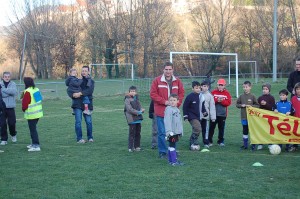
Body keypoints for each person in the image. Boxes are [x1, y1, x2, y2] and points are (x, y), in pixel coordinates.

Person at [150, 61, 185, 158]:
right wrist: (164, 102)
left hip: (173, 112)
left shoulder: (177, 81)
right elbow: (153, 94)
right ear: (163, 70)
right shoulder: (156, 81)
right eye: (166, 69)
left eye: (170, 69)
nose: (168, 71)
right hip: (161, 111)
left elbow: (181, 93)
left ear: (173, 70)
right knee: (162, 133)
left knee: (173, 132)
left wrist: (177, 103)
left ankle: (172, 150)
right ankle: (162, 151)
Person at [72, 66, 95, 143]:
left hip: (87, 104)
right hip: (77, 104)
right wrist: (72, 94)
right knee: (78, 122)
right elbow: (71, 89)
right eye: (82, 71)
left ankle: (90, 137)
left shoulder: (91, 81)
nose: (84, 72)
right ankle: (79, 138)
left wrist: (80, 93)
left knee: (88, 122)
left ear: (88, 72)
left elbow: (89, 91)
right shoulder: (77, 81)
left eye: (85, 71)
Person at [183, 81, 207, 149]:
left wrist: (204, 112)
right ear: (192, 88)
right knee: (198, 128)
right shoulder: (189, 97)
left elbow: (202, 106)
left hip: (198, 116)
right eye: (196, 88)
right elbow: (185, 106)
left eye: (199, 88)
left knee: (197, 129)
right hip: (191, 116)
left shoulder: (201, 96)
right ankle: (193, 141)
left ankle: (192, 140)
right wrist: (185, 116)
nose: (198, 89)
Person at [22, 77, 43, 152]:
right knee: (33, 129)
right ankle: (33, 143)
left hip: (31, 114)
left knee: (33, 130)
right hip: (38, 113)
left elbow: (25, 104)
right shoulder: (36, 89)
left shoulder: (27, 91)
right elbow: (39, 100)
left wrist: (23, 109)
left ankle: (36, 145)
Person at [236, 81, 259, 150]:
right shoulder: (241, 96)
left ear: (250, 87)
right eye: (244, 87)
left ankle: (253, 144)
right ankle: (245, 145)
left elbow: (257, 105)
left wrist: (251, 106)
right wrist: (241, 105)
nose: (245, 88)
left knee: (252, 131)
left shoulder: (252, 96)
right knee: (245, 130)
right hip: (244, 117)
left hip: (251, 118)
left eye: (246, 87)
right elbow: (237, 104)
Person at [208, 78, 231, 147]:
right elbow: (210, 101)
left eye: (222, 85)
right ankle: (209, 141)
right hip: (213, 114)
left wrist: (222, 101)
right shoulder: (213, 92)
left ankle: (220, 141)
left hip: (222, 115)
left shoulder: (227, 93)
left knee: (221, 129)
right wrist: (217, 100)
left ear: (224, 86)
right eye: (219, 85)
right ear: (217, 85)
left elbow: (228, 103)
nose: (220, 86)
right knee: (211, 128)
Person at [164, 94, 184, 166]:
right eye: (171, 100)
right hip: (172, 132)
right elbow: (167, 121)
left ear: (177, 101)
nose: (172, 102)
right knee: (172, 146)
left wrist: (180, 131)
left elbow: (179, 122)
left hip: (176, 132)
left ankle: (170, 161)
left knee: (172, 145)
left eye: (174, 100)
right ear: (168, 101)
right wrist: (169, 132)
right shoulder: (169, 110)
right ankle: (174, 162)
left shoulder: (177, 109)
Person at [124, 86, 145, 152]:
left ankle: (137, 146)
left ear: (136, 92)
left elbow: (139, 106)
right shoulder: (127, 99)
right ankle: (130, 147)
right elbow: (129, 109)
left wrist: (141, 109)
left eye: (134, 91)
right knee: (132, 133)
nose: (133, 92)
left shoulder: (137, 98)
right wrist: (138, 112)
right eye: (131, 91)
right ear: (129, 92)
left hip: (138, 118)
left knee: (138, 133)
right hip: (132, 119)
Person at [256, 83, 275, 150]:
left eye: (266, 89)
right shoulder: (260, 98)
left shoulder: (271, 98)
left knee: (268, 130)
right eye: (263, 89)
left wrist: (266, 104)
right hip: (261, 118)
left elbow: (272, 107)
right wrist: (261, 105)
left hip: (269, 117)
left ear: (269, 90)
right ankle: (260, 143)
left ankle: (270, 143)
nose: (264, 90)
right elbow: (258, 107)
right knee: (261, 130)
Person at [0, 72, 17, 145]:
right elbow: (1, 94)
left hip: (11, 107)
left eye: (8, 76)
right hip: (2, 107)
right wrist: (9, 92)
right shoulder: (0, 84)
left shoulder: (13, 84)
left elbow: (14, 92)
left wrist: (3, 90)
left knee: (12, 123)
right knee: (2, 124)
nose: (7, 78)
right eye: (5, 76)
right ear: (3, 77)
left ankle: (13, 134)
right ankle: (4, 139)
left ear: (10, 77)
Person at [200, 80, 216, 148]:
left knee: (205, 130)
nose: (205, 88)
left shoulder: (210, 96)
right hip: (198, 115)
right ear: (201, 87)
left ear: (208, 87)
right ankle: (194, 141)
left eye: (206, 86)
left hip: (205, 116)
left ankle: (206, 142)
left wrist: (213, 117)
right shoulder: (199, 94)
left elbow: (212, 107)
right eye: (203, 86)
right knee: (197, 129)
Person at [290, 83, 300, 152]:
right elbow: (291, 108)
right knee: (295, 132)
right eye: (297, 89)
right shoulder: (293, 98)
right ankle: (294, 146)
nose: (299, 90)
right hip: (295, 119)